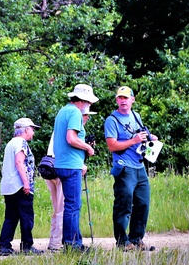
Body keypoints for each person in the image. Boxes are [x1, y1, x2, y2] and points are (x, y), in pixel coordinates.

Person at [104, 86, 157, 251]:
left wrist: (150, 138)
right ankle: (122, 242)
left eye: (126, 97)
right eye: (120, 98)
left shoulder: (136, 116)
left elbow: (140, 136)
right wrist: (133, 141)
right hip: (124, 167)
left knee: (143, 203)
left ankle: (136, 239)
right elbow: (112, 146)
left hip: (140, 166)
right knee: (124, 204)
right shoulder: (112, 120)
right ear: (116, 100)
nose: (123, 101)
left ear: (132, 100)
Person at [52, 84, 98, 251]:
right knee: (73, 206)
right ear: (83, 100)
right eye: (89, 102)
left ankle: (76, 241)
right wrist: (88, 147)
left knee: (71, 205)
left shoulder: (63, 110)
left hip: (62, 163)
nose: (90, 105)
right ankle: (71, 245)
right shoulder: (75, 112)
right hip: (70, 165)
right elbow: (71, 138)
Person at [0, 118, 43, 256]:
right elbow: (19, 162)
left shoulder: (10, 143)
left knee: (11, 217)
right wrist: (26, 183)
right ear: (25, 129)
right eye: (32, 129)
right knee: (26, 216)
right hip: (19, 186)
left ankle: (4, 246)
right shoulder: (21, 142)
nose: (33, 133)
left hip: (9, 185)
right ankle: (27, 246)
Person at [43, 135, 64, 253]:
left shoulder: (58, 126)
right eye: (86, 115)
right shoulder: (72, 125)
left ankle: (53, 241)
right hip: (60, 165)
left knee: (56, 208)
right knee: (62, 208)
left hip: (48, 164)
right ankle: (57, 243)